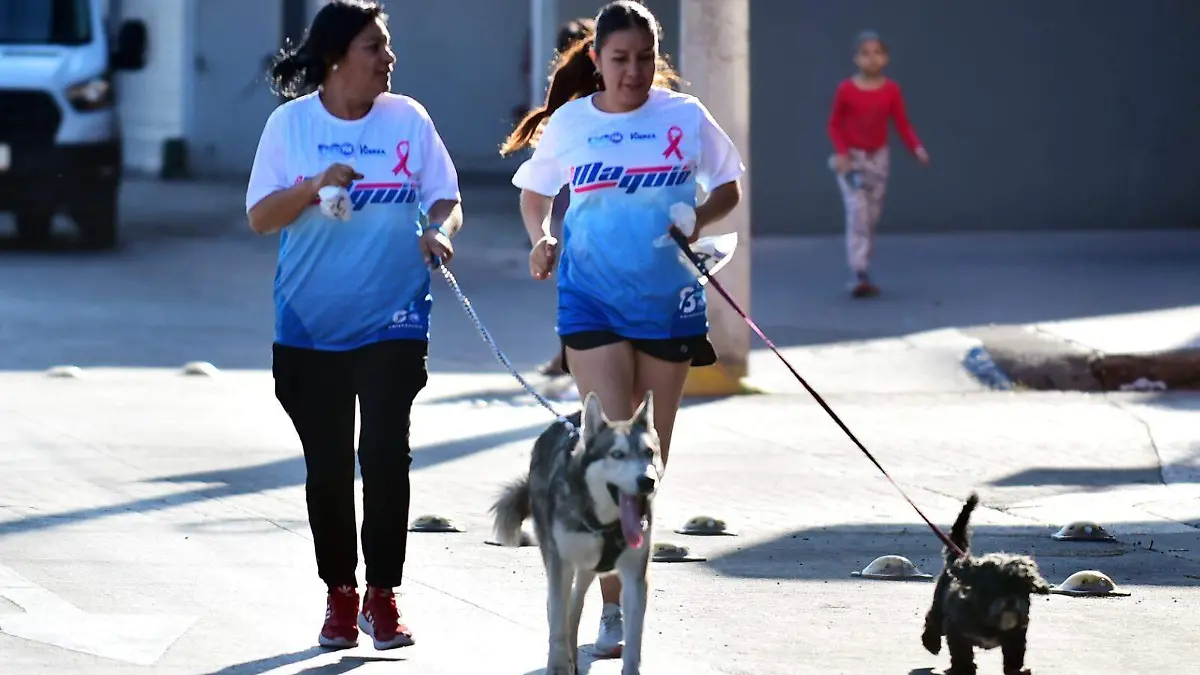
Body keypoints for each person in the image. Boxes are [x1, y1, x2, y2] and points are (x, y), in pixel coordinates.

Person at [500, 0, 745, 657]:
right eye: (619, 59)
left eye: (643, 58)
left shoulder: (684, 117)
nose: (632, 71)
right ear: (597, 61)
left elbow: (729, 187)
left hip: (668, 304)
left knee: (645, 460)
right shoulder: (573, 123)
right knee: (608, 444)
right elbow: (534, 191)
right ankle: (611, 611)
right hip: (590, 300)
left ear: (655, 58)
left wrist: (696, 217)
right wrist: (542, 235)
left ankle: (622, 588)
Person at [244, 0, 462, 652]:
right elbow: (260, 217)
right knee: (330, 467)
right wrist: (313, 186)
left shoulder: (409, 120)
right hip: (310, 325)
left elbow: (445, 196)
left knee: (387, 455)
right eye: (375, 47)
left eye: (387, 46)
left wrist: (438, 231)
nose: (388, 59)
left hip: (394, 316)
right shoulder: (290, 126)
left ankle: (383, 595)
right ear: (338, 57)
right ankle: (340, 592)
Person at [827, 30, 930, 298]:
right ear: (856, 58)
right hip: (852, 159)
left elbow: (902, 124)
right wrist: (841, 153)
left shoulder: (891, 90)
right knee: (858, 213)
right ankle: (859, 271)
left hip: (878, 159)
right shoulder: (846, 90)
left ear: (885, 58)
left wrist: (916, 148)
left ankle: (864, 266)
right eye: (865, 53)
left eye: (877, 53)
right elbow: (834, 124)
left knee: (871, 216)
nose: (871, 59)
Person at [526, 16, 597, 378]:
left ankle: (567, 354)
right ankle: (568, 352)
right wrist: (541, 236)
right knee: (577, 280)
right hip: (576, 197)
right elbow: (536, 190)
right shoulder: (574, 113)